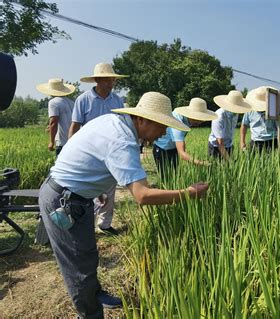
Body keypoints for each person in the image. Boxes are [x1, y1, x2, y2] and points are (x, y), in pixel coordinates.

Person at [38, 92, 209, 318]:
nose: (164, 132)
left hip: (75, 196)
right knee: (78, 267)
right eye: (161, 126)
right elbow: (143, 196)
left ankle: (95, 293)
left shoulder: (113, 122)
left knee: (87, 254)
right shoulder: (122, 139)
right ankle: (90, 313)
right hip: (63, 200)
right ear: (143, 120)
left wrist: (93, 189)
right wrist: (188, 193)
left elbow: (84, 154)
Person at [68, 62, 128, 235]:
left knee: (109, 187)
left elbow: (122, 124)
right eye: (106, 80)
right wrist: (71, 148)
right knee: (87, 189)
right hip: (88, 151)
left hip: (109, 150)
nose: (110, 83)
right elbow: (75, 125)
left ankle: (105, 224)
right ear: (97, 80)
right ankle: (86, 224)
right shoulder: (83, 99)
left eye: (112, 80)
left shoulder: (117, 100)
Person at [152, 97, 217, 177]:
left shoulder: (189, 120)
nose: (199, 122)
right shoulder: (178, 121)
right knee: (167, 178)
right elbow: (182, 153)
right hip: (162, 149)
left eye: (201, 119)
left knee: (176, 176)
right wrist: (201, 163)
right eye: (197, 118)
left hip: (173, 148)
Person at [240, 86, 280, 152]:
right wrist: (242, 142)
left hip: (271, 142)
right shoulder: (249, 110)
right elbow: (244, 125)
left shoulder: (275, 112)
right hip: (254, 142)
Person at [36, 79, 76, 156]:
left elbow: (54, 122)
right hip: (73, 141)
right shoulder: (71, 102)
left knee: (61, 166)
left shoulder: (53, 102)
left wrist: (51, 142)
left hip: (62, 142)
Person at [209, 90, 252, 159]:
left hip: (229, 145)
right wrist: (229, 161)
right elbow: (219, 143)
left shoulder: (236, 113)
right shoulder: (219, 116)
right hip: (216, 147)